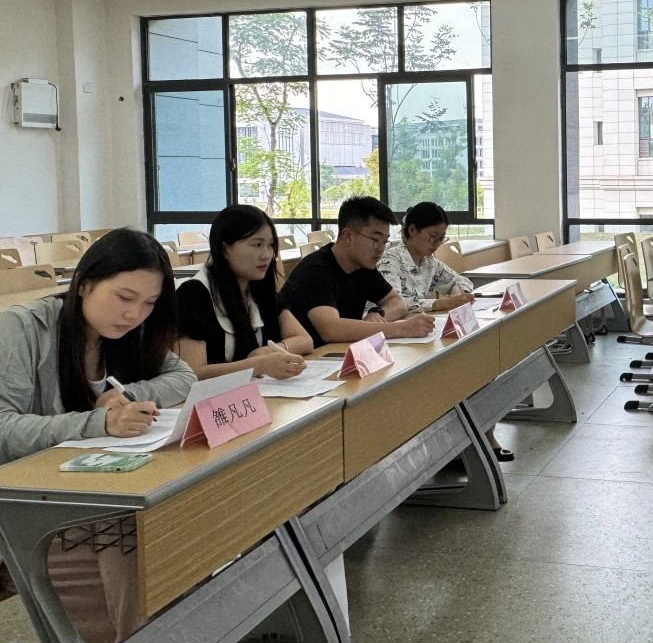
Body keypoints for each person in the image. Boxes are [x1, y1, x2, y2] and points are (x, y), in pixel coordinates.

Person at [0, 228, 196, 643]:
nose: (134, 314)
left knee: (172, 504)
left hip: (95, 485)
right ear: (84, 283)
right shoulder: (22, 329)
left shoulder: (128, 334)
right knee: (133, 521)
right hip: (30, 493)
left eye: (149, 303)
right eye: (124, 297)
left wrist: (129, 396)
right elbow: (3, 429)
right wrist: (98, 423)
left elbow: (184, 377)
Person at [378, 202, 513, 461]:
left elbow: (458, 280)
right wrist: (440, 304)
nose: (437, 244)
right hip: (396, 337)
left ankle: (484, 436)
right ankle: (459, 444)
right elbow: (397, 303)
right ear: (412, 230)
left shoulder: (428, 261)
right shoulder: (390, 260)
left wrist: (459, 292)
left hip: (424, 332)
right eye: (432, 237)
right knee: (454, 371)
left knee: (481, 364)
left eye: (442, 238)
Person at [174, 205, 314, 380]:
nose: (266, 255)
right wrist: (258, 365)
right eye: (257, 245)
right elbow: (193, 373)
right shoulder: (194, 294)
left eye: (270, 245)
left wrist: (266, 351)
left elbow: (305, 340)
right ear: (224, 250)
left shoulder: (258, 286)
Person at [279, 196, 436, 347]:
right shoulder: (314, 271)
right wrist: (401, 329)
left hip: (341, 351)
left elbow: (397, 302)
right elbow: (331, 329)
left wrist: (378, 314)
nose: (381, 248)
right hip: (305, 358)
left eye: (385, 241)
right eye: (375, 240)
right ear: (347, 236)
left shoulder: (363, 266)